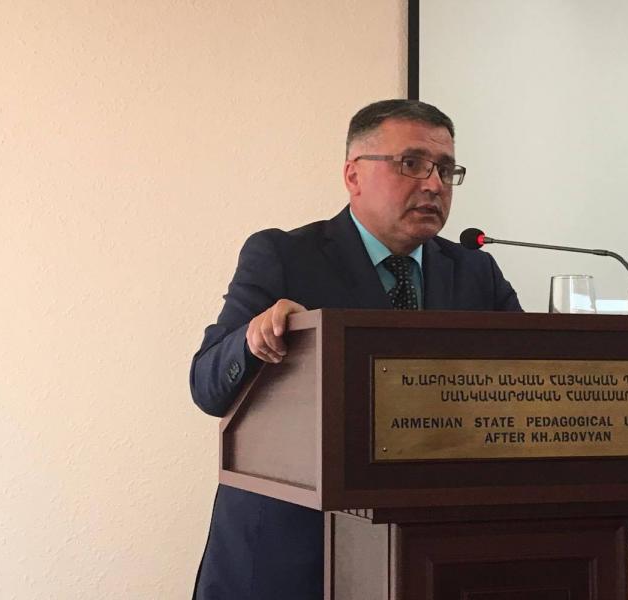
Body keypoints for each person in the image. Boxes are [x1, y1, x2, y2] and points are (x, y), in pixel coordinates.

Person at [190, 99, 521, 599]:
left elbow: (522, 382)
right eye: (412, 163)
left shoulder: (476, 271)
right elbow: (206, 387)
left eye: (446, 169)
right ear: (353, 175)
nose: (434, 184)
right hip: (292, 552)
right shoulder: (284, 255)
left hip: (429, 553)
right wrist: (252, 340)